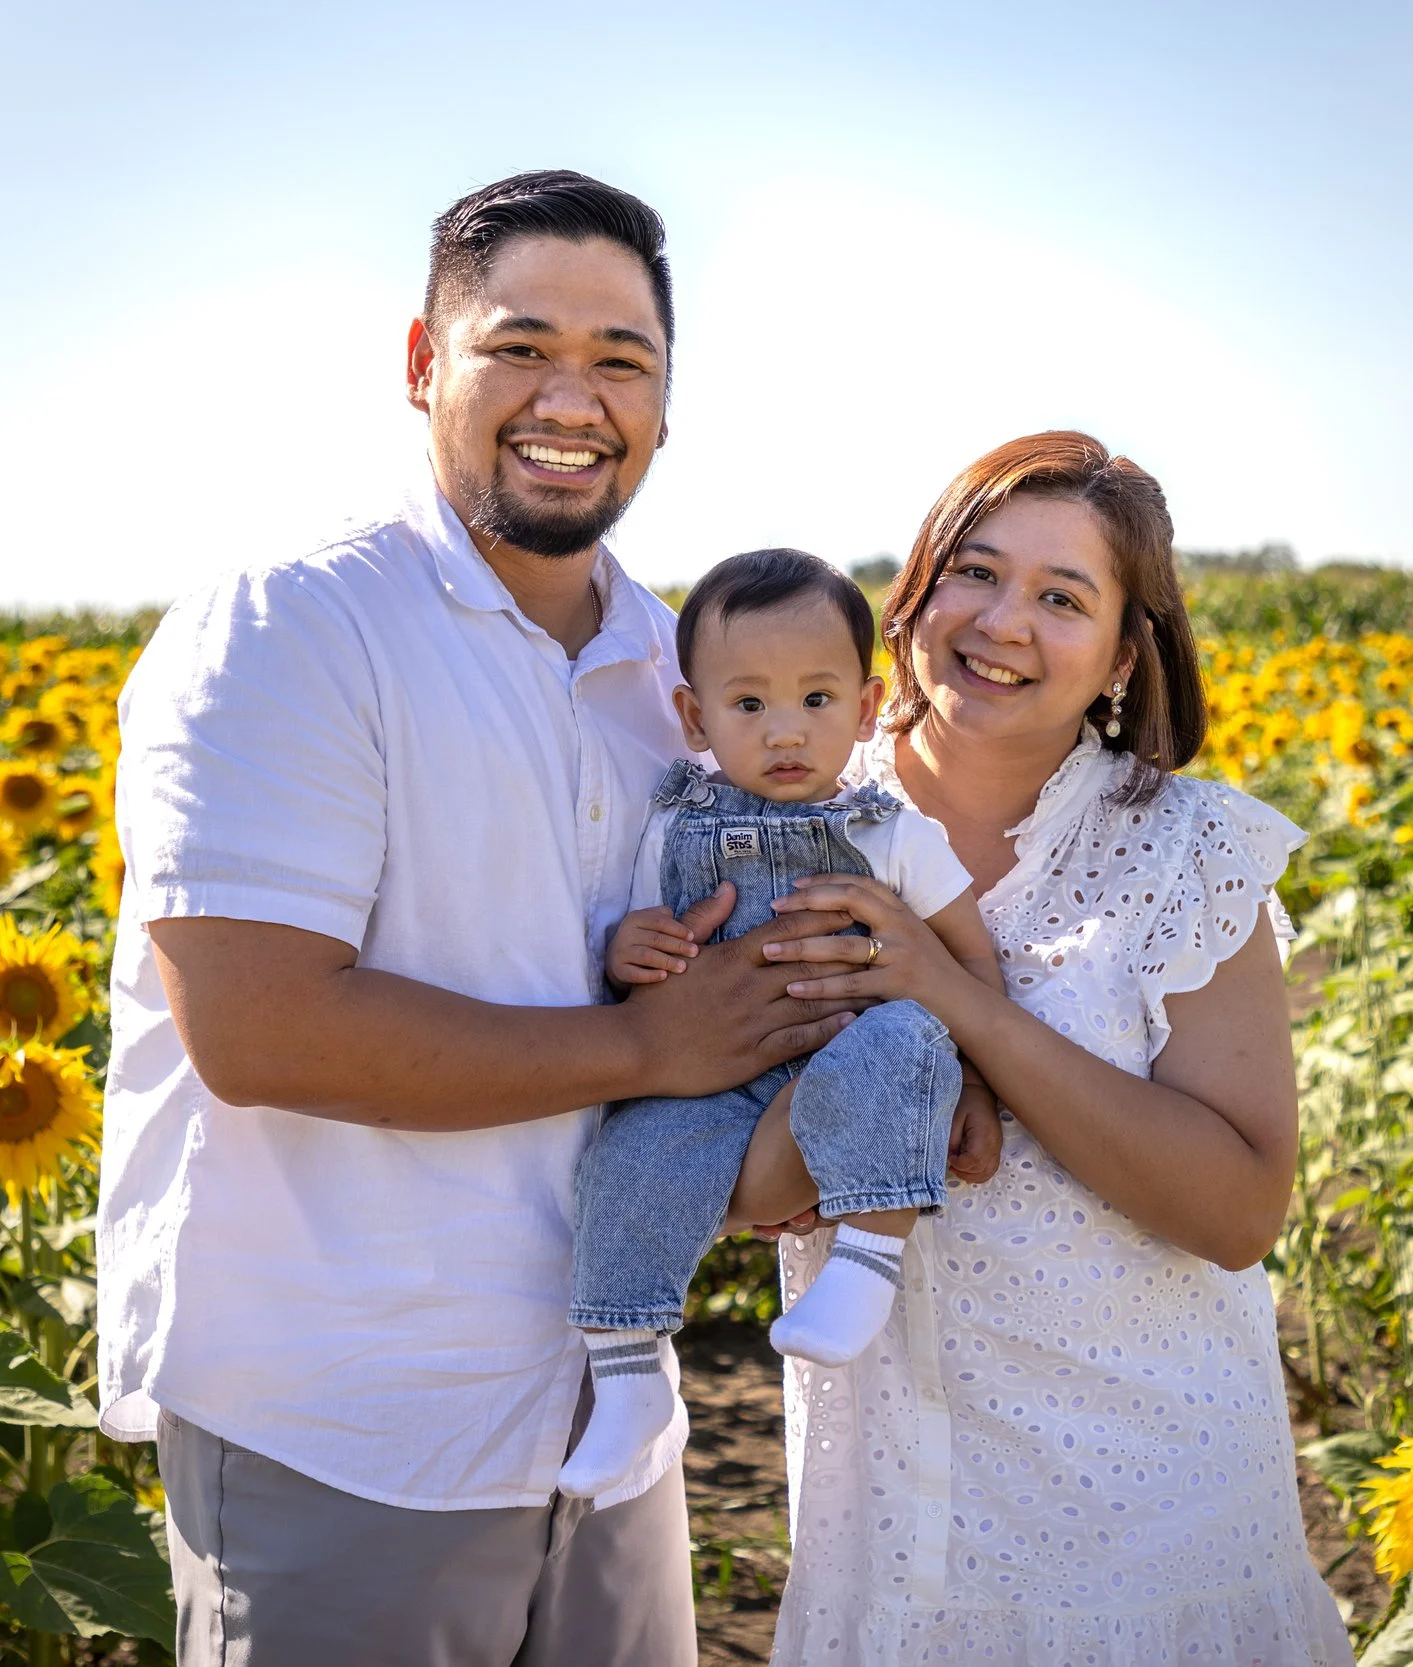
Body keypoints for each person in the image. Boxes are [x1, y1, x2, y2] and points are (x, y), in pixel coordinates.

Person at [98, 170, 949, 1667]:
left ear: (668, 407)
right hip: (350, 1418)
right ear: (424, 363)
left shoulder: (678, 675)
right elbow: (259, 1027)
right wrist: (653, 1045)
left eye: (623, 360)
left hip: (605, 1413)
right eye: (520, 346)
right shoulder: (292, 627)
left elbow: (738, 990)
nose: (575, 395)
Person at [737, 433, 1358, 1665]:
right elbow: (736, 1186)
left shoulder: (1187, 847)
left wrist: (958, 1001)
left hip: (1152, 1526)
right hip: (893, 1523)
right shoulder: (778, 818)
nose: (1002, 621)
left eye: (1062, 596)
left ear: (1124, 654)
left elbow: (1237, 1208)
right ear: (914, 585)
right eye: (975, 570)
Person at [560, 547, 1009, 1501]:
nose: (786, 731)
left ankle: (868, 1256)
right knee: (628, 1153)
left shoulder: (888, 831)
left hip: (851, 1056)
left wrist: (973, 1078)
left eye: (816, 699)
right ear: (694, 717)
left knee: (906, 1042)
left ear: (866, 704)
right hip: (710, 1081)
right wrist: (625, 949)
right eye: (750, 704)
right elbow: (643, 931)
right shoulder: (670, 824)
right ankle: (628, 1373)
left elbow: (969, 957)